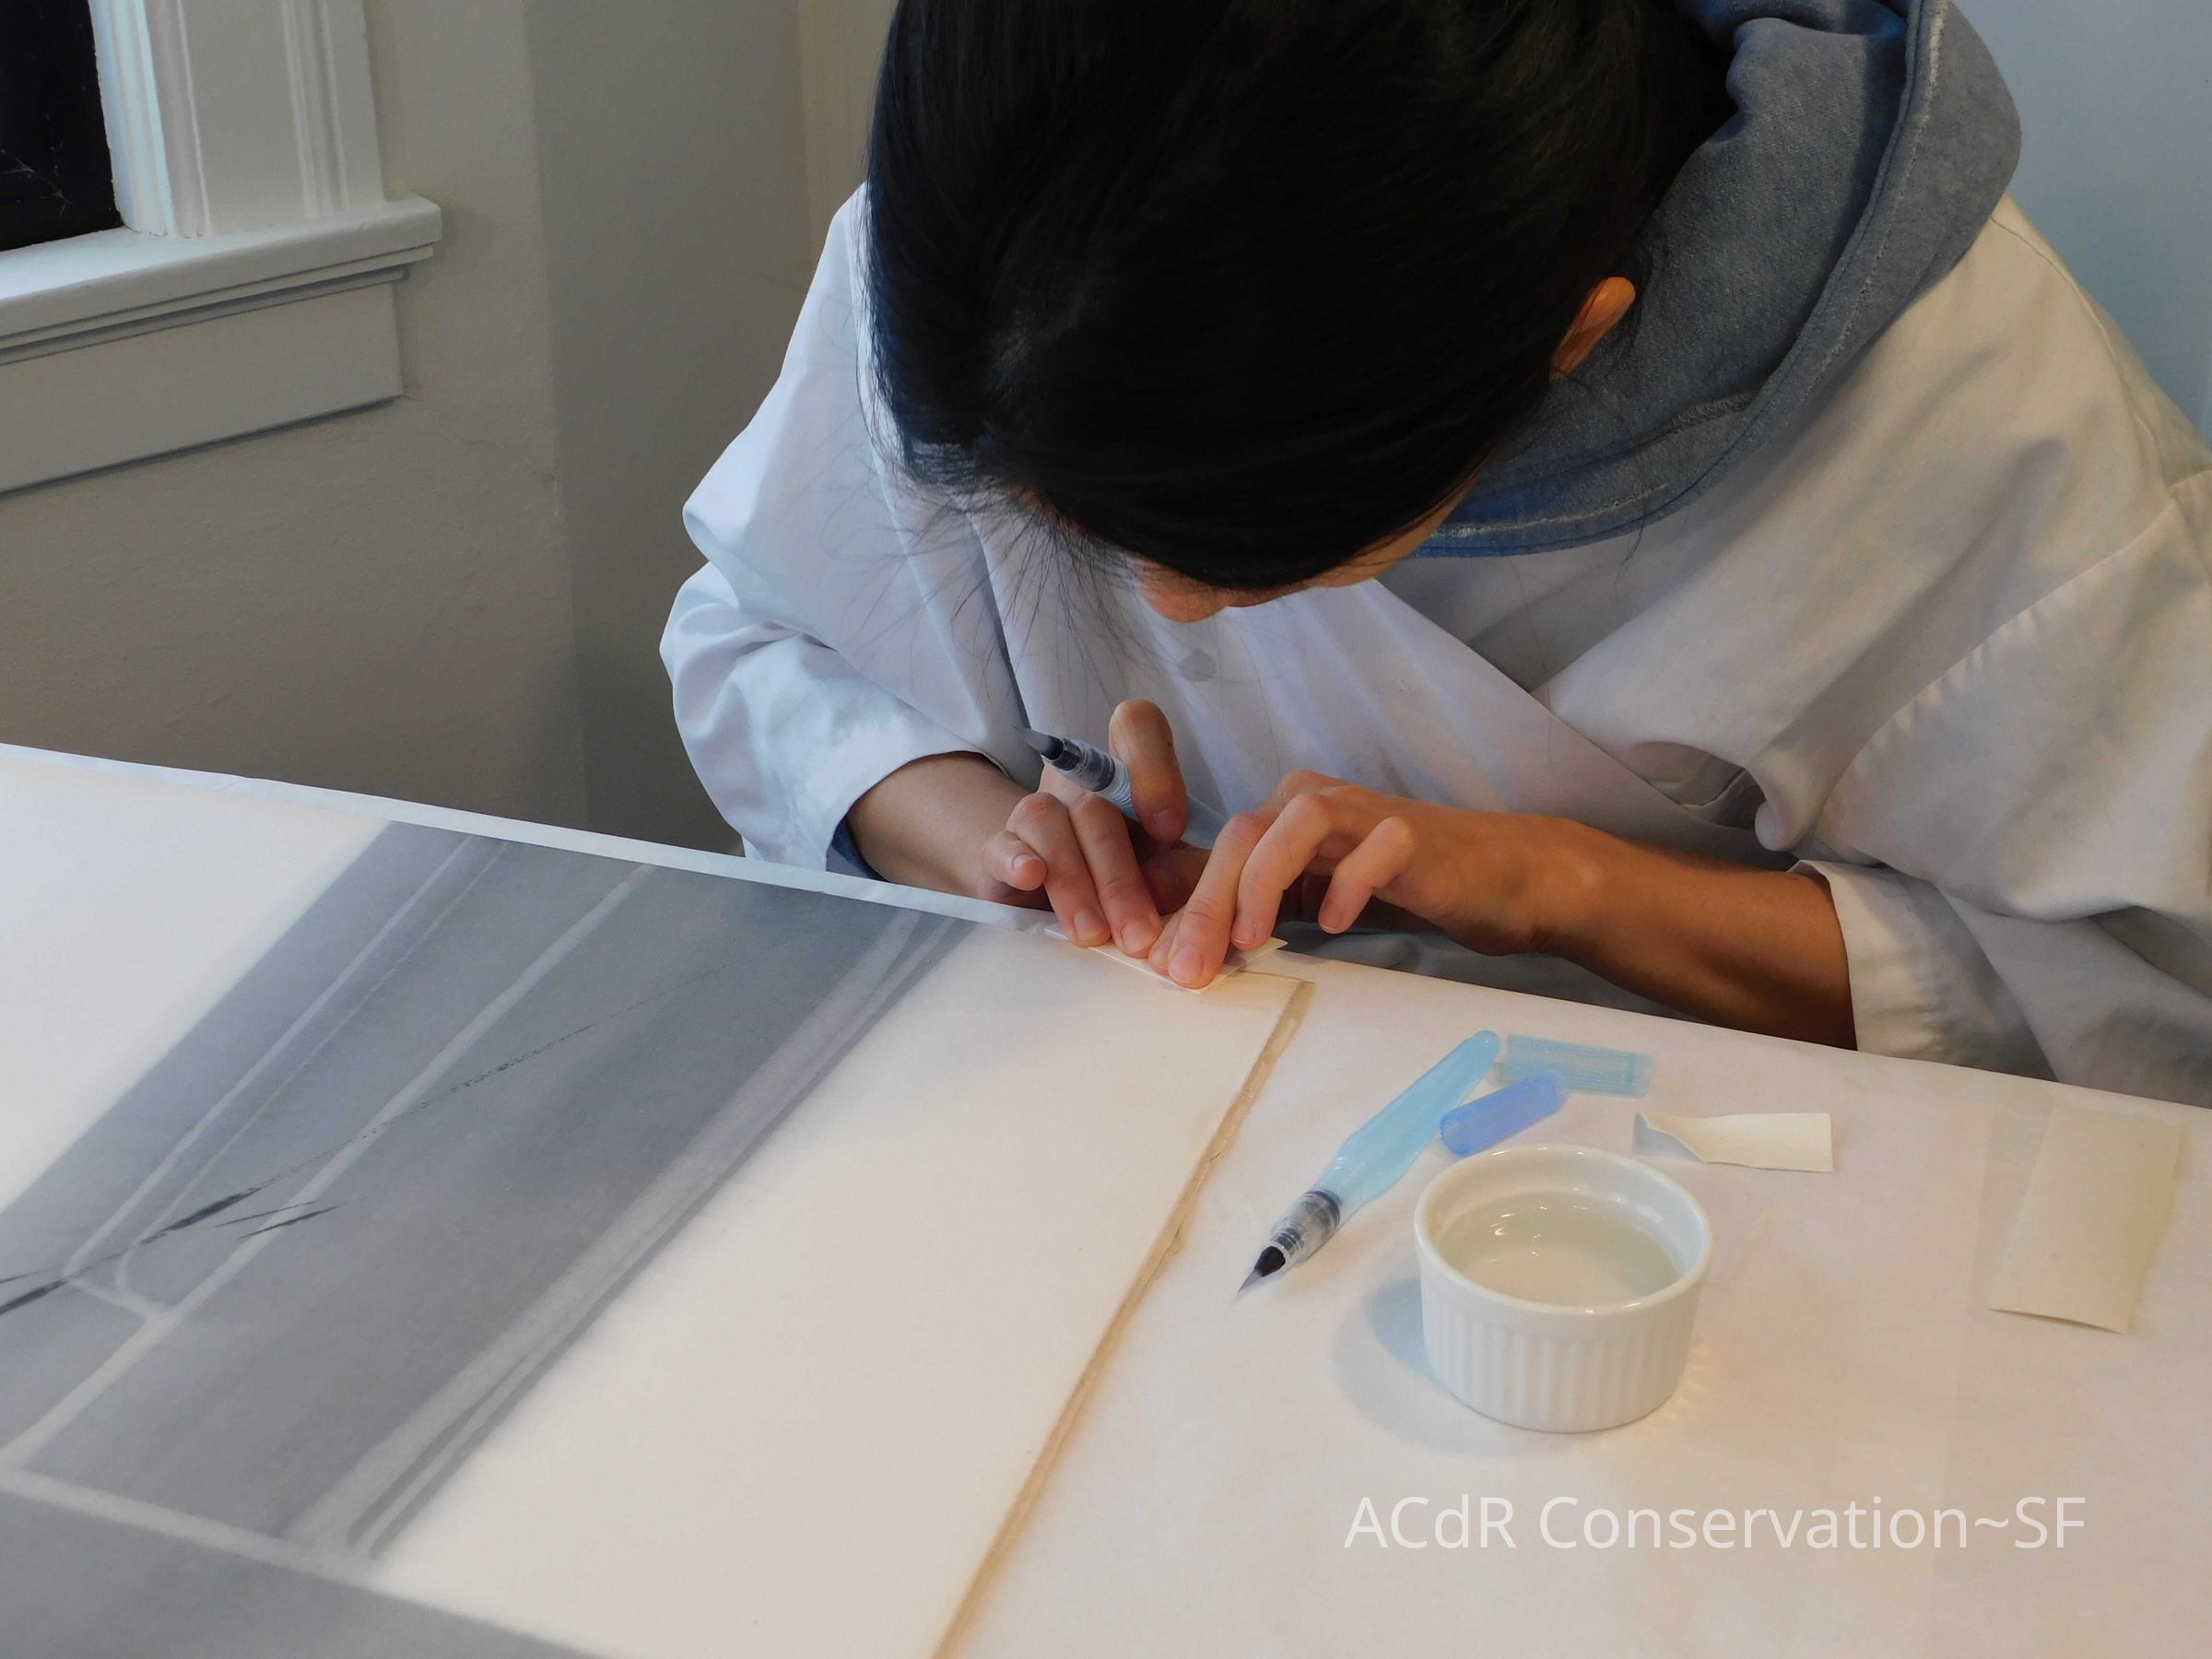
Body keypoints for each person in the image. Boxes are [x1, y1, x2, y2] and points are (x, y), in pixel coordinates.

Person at [663, 0, 2212, 1104]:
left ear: (1576, 344)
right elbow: (761, 639)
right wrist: (976, 839)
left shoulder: (1968, 421)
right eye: (1076, 533)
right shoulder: (1002, 267)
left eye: (1267, 554)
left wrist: (1561, 887)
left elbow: (2139, 1002)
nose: (1168, 612)